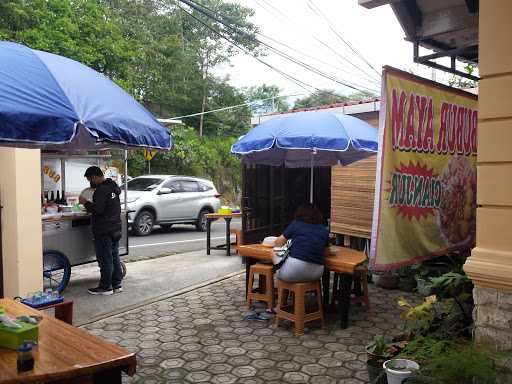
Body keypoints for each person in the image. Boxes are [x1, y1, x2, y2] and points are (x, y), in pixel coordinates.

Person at [79, 166, 123, 295]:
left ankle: (105, 287)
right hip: (115, 228)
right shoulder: (112, 187)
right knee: (114, 257)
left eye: (89, 180)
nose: (89, 183)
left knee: (105, 259)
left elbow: (98, 210)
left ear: (94, 177)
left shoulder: (101, 191)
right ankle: (116, 284)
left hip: (104, 230)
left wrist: (85, 202)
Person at [271, 203, 329, 283]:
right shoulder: (323, 230)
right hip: (317, 274)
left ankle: (280, 292)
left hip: (294, 271)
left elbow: (278, 243)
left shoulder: (296, 224)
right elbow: (326, 252)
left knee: (273, 251)